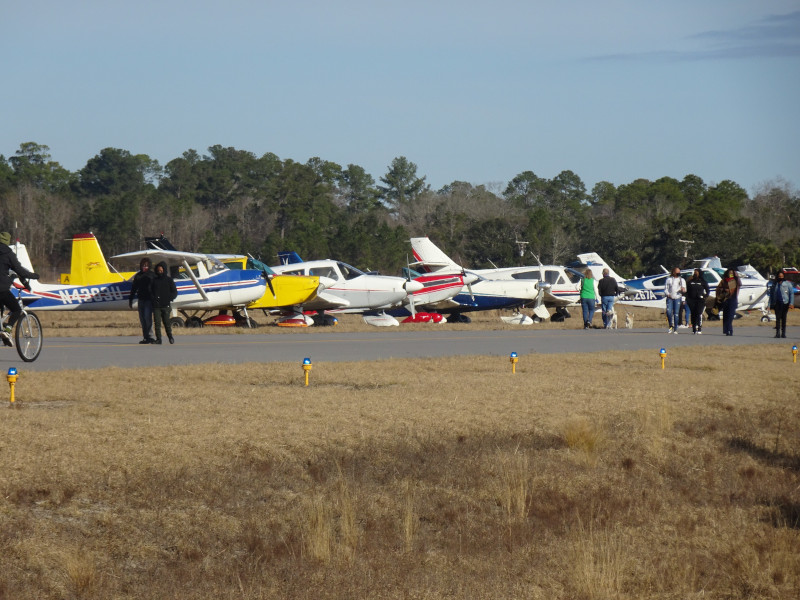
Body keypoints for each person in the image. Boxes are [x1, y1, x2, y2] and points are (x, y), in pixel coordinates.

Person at [0, 232, 40, 347]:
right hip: (1, 289)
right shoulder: (8, 253)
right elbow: (20, 271)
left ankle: (2, 330)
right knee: (16, 309)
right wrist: (34, 276)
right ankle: (7, 331)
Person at [129, 257, 155, 344]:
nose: (145, 267)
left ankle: (151, 336)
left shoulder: (152, 275)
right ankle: (145, 337)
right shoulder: (138, 276)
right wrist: (131, 299)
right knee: (142, 319)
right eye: (143, 265)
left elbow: (156, 288)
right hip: (141, 299)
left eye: (147, 265)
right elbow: (134, 288)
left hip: (149, 300)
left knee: (148, 318)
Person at [151, 261, 178, 344]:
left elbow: (174, 292)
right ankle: (159, 339)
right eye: (158, 270)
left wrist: (169, 298)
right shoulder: (154, 280)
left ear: (164, 269)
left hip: (166, 305)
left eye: (161, 269)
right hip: (156, 306)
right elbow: (150, 291)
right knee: (157, 323)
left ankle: (170, 337)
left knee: (167, 322)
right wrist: (153, 299)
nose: (159, 271)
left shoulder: (169, 280)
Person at [769, 269, 794, 338]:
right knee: (777, 319)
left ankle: (783, 333)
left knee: (784, 318)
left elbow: (791, 294)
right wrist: (769, 305)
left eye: (782, 276)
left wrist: (791, 303)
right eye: (779, 276)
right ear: (777, 276)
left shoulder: (788, 284)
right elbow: (771, 295)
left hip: (785, 303)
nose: (781, 278)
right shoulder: (774, 284)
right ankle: (777, 333)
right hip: (777, 303)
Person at [716, 268, 740, 336]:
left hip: (732, 300)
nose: (731, 274)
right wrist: (723, 290)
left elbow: (733, 289)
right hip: (725, 300)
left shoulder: (734, 280)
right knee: (725, 315)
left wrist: (736, 276)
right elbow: (718, 288)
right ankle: (726, 330)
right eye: (730, 273)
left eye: (732, 273)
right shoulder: (723, 281)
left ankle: (730, 329)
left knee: (730, 316)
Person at [685, 269, 710, 334]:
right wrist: (687, 298)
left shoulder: (703, 281)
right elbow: (686, 290)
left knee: (698, 313)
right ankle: (694, 327)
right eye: (695, 272)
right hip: (691, 300)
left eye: (697, 272)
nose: (695, 273)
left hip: (700, 300)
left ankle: (699, 326)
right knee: (693, 313)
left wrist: (705, 296)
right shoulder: (690, 281)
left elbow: (707, 290)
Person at [664, 267, 686, 334]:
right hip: (670, 298)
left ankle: (675, 328)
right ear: (673, 272)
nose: (678, 273)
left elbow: (685, 290)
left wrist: (682, 290)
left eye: (679, 272)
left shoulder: (682, 280)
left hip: (677, 297)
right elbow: (665, 289)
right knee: (668, 312)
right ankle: (671, 325)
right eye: (677, 272)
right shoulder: (669, 280)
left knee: (676, 313)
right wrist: (668, 294)